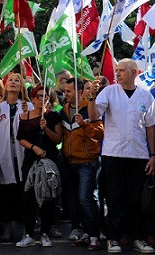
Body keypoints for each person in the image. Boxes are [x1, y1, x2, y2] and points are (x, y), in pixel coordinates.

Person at [88, 59, 155, 254]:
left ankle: (138, 237)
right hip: (113, 153)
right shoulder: (109, 92)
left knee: (137, 199)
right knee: (115, 197)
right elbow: (93, 116)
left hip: (139, 154)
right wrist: (91, 97)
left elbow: (150, 128)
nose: (117, 74)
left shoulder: (146, 97)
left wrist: (153, 155)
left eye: (122, 71)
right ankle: (113, 238)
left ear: (134, 72)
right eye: (116, 70)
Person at [15, 86, 63, 248]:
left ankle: (45, 233)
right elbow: (20, 138)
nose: (42, 99)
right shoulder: (24, 116)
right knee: (28, 196)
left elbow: (58, 139)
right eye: (39, 96)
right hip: (30, 161)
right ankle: (28, 234)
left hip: (49, 160)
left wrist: (46, 128)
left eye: (45, 97)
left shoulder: (53, 116)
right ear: (33, 98)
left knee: (47, 197)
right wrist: (34, 147)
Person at [0, 72, 33, 242]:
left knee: (24, 190)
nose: (13, 83)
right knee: (7, 191)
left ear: (22, 87)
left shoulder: (28, 106)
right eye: (10, 81)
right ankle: (7, 225)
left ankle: (23, 227)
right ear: (5, 86)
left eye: (17, 80)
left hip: (23, 153)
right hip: (5, 154)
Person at [61, 78, 103, 251]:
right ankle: (86, 232)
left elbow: (100, 134)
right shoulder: (62, 111)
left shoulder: (91, 108)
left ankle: (95, 236)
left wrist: (84, 124)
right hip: (69, 162)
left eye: (68, 91)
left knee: (86, 199)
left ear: (79, 92)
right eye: (64, 91)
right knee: (76, 201)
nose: (65, 94)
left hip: (88, 162)